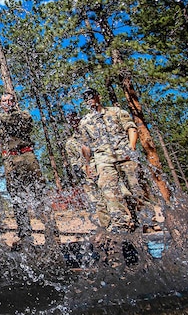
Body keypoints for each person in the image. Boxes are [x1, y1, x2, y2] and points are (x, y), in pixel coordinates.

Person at [78, 88, 159, 235]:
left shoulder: (116, 112)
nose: (89, 99)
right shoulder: (85, 122)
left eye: (91, 96)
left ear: (98, 96)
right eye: (86, 98)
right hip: (103, 160)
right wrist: (88, 164)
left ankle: (148, 221)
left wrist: (132, 148)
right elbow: (85, 144)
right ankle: (121, 223)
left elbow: (131, 128)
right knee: (109, 190)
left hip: (124, 155)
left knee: (136, 189)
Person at [0, 93, 51, 247]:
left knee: (39, 192)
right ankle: (24, 235)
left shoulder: (23, 115)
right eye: (4, 101)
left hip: (27, 156)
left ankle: (50, 229)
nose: (7, 103)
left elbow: (16, 123)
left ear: (15, 102)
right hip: (10, 159)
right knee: (17, 197)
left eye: (10, 100)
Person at [63, 112, 105, 221]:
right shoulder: (70, 142)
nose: (74, 122)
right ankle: (104, 223)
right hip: (86, 172)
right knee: (94, 199)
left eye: (75, 119)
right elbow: (72, 158)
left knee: (109, 194)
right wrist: (76, 168)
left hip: (101, 166)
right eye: (70, 121)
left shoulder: (92, 133)